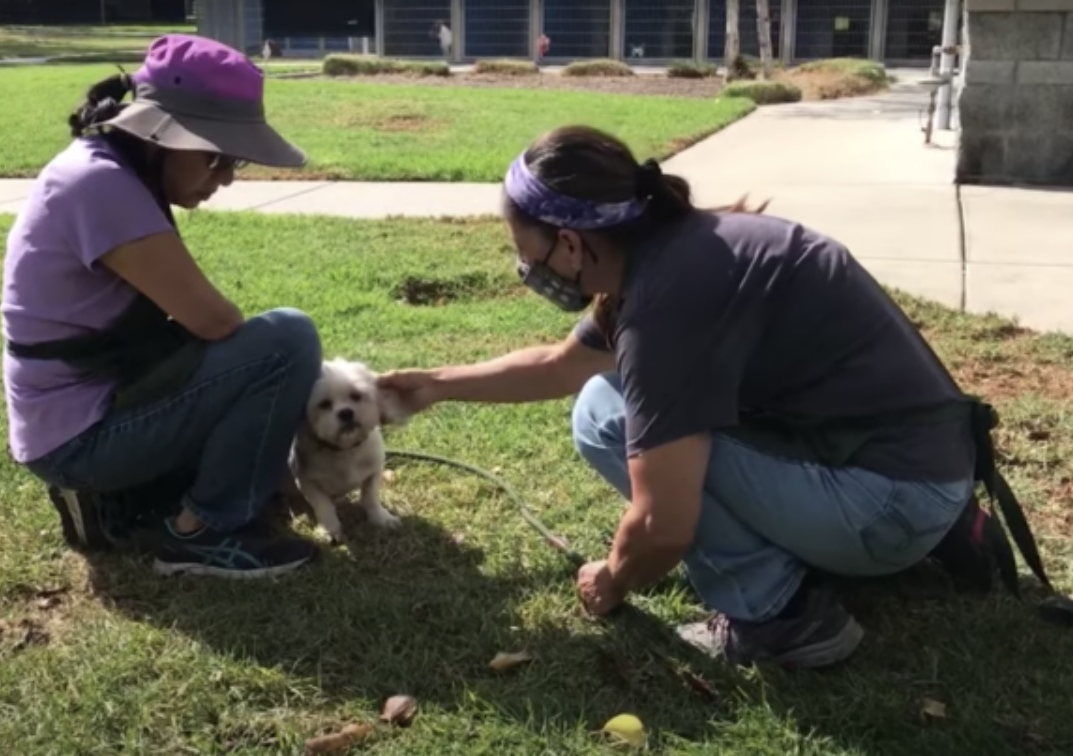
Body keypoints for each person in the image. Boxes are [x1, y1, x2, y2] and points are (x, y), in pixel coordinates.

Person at [377, 124, 1013, 669]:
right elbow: (560, 364)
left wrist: (613, 578)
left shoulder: (665, 306)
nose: (528, 273)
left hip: (891, 503)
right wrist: (435, 386)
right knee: (605, 393)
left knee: (604, 415)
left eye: (528, 256)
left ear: (570, 244)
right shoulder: (688, 243)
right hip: (922, 470)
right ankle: (893, 537)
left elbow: (663, 525)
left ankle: (781, 616)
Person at [0, 34, 322, 579]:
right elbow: (216, 321)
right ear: (157, 137)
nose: (225, 178)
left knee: (251, 355)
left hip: (90, 406)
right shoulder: (101, 185)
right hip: (77, 438)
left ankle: (138, 500)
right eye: (215, 157)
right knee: (286, 342)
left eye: (234, 160)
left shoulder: (107, 169)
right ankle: (201, 534)